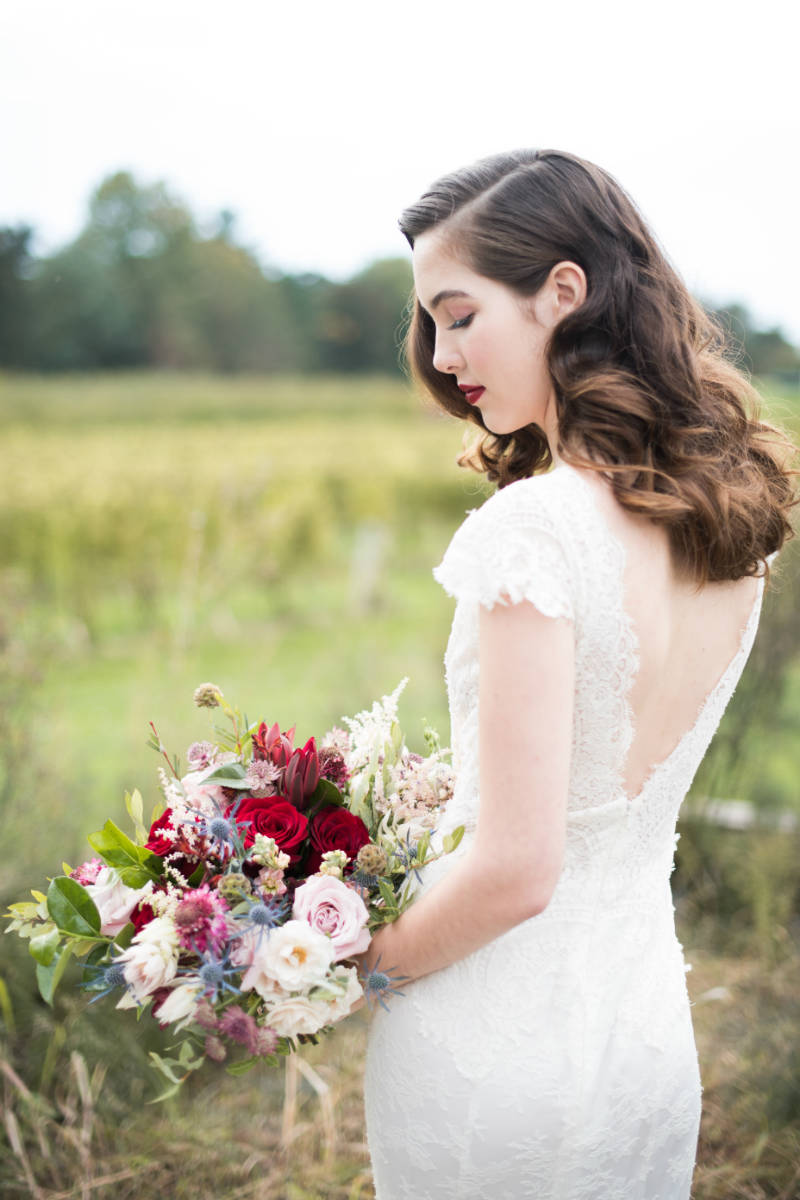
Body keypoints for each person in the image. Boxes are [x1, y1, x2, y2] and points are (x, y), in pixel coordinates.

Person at [356, 149, 797, 1199]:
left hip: (490, 1051)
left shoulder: (533, 530)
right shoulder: (726, 523)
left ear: (562, 290)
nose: (440, 352)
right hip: (640, 1034)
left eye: (459, 314)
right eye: (427, 322)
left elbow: (515, 872)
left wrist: (348, 972)